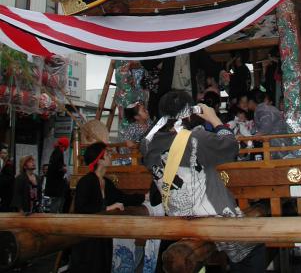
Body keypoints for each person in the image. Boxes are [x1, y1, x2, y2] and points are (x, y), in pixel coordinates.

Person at [141, 90, 266, 272]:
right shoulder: (194, 139)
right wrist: (214, 118)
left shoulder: (147, 143)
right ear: (191, 112)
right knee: (253, 248)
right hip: (213, 216)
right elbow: (231, 147)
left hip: (178, 216)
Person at [70, 142, 145, 273]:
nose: (111, 156)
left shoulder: (107, 183)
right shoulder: (86, 182)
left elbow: (123, 198)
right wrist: (106, 209)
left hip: (103, 236)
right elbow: (81, 208)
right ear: (99, 159)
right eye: (107, 154)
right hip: (88, 239)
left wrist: (145, 196)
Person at [45, 136, 69, 213]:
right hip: (56, 185)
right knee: (56, 204)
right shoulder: (59, 152)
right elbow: (56, 167)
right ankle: (53, 219)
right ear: (64, 146)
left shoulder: (55, 151)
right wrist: (63, 169)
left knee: (55, 203)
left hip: (53, 184)